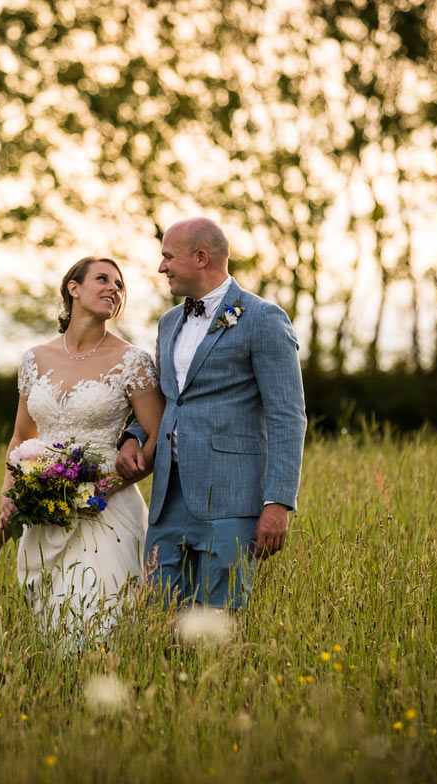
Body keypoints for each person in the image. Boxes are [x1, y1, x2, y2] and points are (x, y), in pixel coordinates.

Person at [116, 217, 306, 610]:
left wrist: (279, 502)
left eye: (168, 257)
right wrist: (134, 436)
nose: (161, 267)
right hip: (168, 498)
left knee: (219, 619)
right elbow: (167, 398)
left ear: (200, 257)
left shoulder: (263, 318)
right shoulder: (169, 323)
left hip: (231, 500)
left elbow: (287, 416)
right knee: (159, 615)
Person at [0, 257, 164, 642]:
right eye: (103, 279)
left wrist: (105, 486)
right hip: (44, 513)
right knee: (54, 624)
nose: (113, 289)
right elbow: (21, 437)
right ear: (73, 288)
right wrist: (10, 496)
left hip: (106, 510)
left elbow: (159, 436)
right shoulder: (35, 359)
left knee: (99, 622)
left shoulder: (131, 361)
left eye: (119, 285)